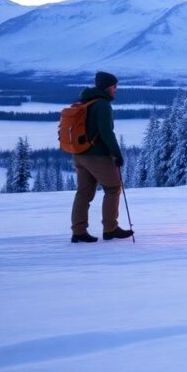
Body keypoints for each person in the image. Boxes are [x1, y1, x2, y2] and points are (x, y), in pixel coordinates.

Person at [70, 71, 134, 243]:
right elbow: (106, 132)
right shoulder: (102, 105)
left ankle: (78, 231)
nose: (115, 90)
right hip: (96, 156)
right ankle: (110, 228)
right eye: (114, 87)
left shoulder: (85, 101)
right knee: (113, 188)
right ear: (107, 87)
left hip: (79, 155)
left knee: (83, 193)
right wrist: (117, 154)